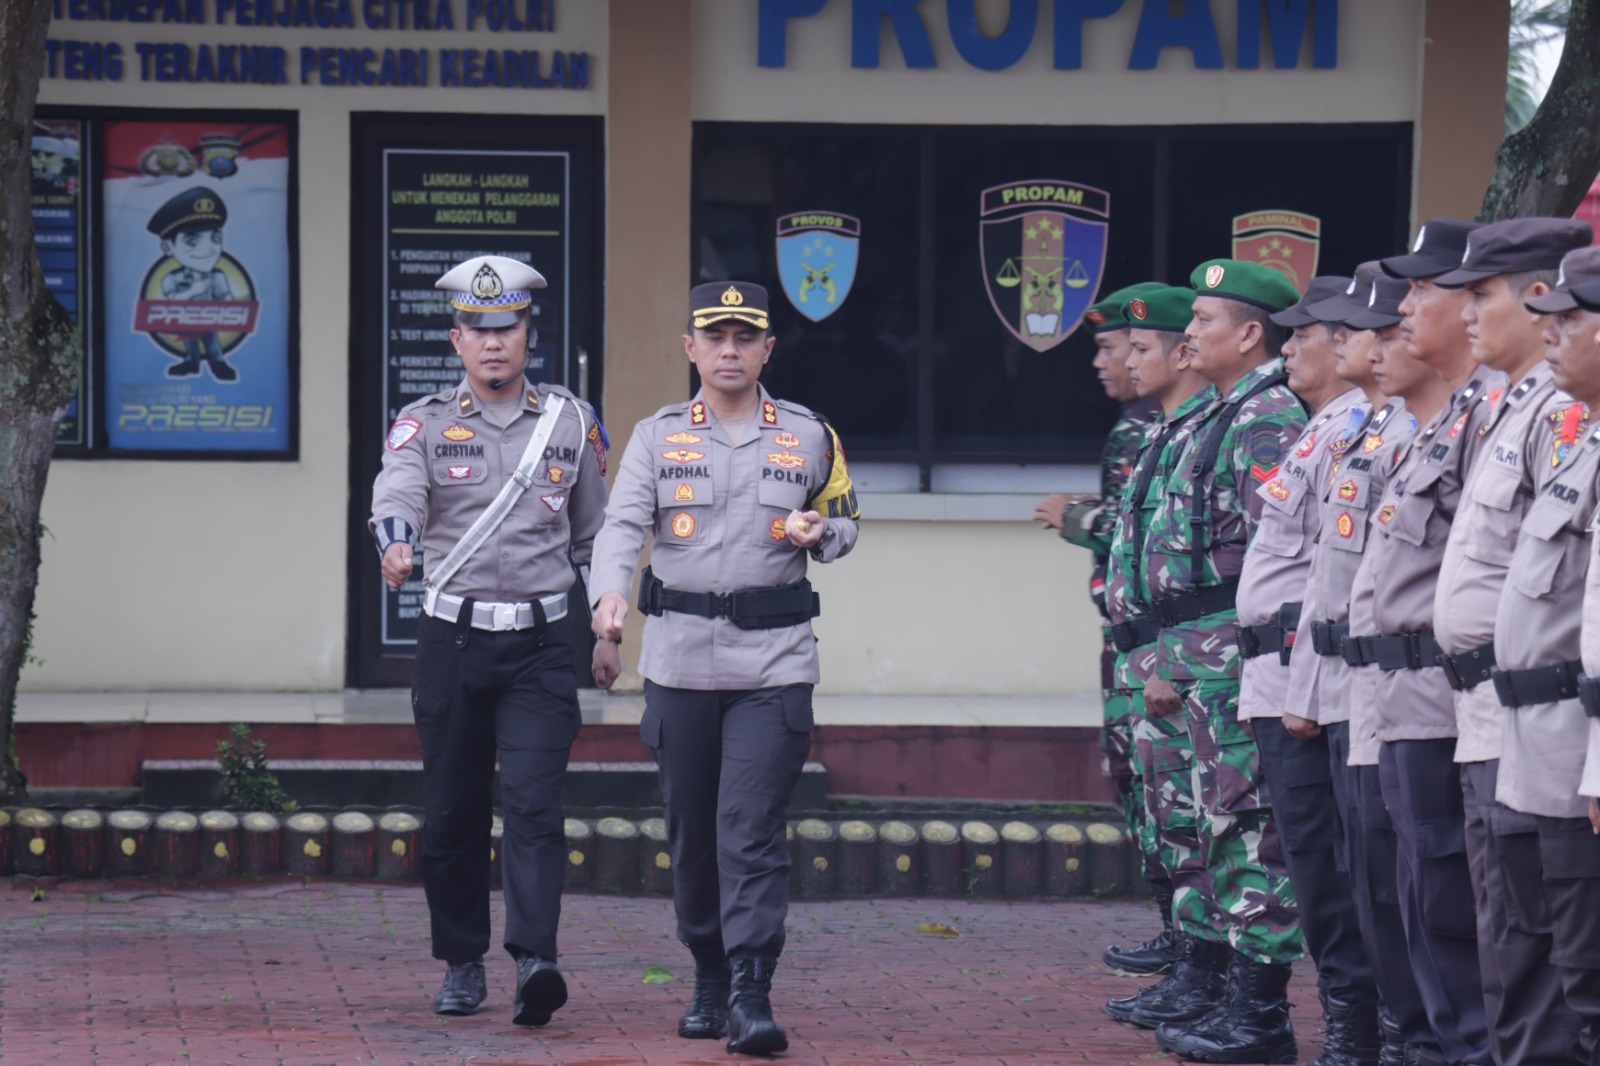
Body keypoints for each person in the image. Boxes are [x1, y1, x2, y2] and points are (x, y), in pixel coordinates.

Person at [588, 281, 859, 1056]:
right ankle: (708, 972)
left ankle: (750, 989)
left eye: (745, 338)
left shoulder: (809, 434)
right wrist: (608, 598)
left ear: (768, 349)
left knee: (749, 828)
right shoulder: (657, 436)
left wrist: (819, 533)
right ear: (691, 348)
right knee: (693, 832)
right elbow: (621, 526)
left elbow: (847, 522)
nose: (730, 351)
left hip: (773, 666)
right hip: (678, 664)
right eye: (716, 337)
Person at [368, 254, 608, 1027]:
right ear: (457, 340)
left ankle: (536, 959)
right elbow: (397, 488)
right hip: (454, 640)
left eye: (507, 328)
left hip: (542, 643)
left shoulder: (570, 421)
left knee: (535, 806)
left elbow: (594, 536)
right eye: (477, 329)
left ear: (529, 334)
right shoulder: (425, 421)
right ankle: (462, 962)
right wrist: (396, 541)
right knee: (453, 811)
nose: (493, 342)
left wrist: (605, 628)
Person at [1430, 217, 1592, 1066]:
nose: (1464, 315)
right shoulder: (1516, 410)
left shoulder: (1561, 418)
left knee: (1548, 962)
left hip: (1544, 724)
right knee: (1509, 944)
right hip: (1498, 716)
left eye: (1480, 295)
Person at [1357, 221, 1501, 1066]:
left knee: (1452, 902)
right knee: (1416, 894)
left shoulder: (1491, 415)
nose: (1403, 309)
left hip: (1449, 697)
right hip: (1402, 696)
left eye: (1422, 290)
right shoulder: (1442, 421)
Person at [1240, 274, 1383, 1066]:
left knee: (1332, 869)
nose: (1286, 348)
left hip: (1313, 677)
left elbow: (1338, 581)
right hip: (1279, 673)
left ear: (1345, 340)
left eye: (1302, 335)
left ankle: (1358, 1031)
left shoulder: (1358, 425)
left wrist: (1300, 689)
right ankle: (1349, 1025)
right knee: (1312, 861)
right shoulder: (1322, 427)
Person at [1033, 281, 1170, 972]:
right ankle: (1181, 934)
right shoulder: (1145, 424)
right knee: (1135, 779)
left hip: (1156, 643)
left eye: (1115, 347)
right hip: (1128, 636)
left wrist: (1076, 516)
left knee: (1160, 788)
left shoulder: (1153, 426)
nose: (1103, 361)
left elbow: (1158, 533)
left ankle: (1191, 942)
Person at [1100, 286, 1221, 1022]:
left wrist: (1170, 655)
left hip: (1193, 658)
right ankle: (1193, 965)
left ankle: (1220, 984)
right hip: (1151, 652)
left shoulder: (1228, 426)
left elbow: (1225, 568)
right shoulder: (1166, 431)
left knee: (1211, 827)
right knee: (1172, 820)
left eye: (1141, 347)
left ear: (1182, 354)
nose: (1124, 360)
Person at [1494, 246, 1600, 1059]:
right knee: (1552, 963)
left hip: (1580, 756)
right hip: (1537, 746)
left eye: (1570, 320)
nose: (1551, 335)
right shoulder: (1580, 440)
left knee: (1587, 977)